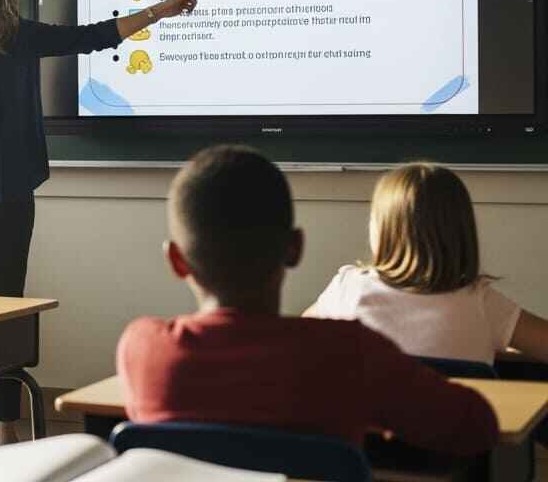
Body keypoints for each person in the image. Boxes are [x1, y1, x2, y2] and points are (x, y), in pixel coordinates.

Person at [0, 0, 202, 443]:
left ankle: (6, 424)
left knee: (6, 306)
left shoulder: (19, 39)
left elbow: (93, 37)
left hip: (12, 192)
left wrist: (160, 10)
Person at [118, 145, 498, 454]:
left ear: (176, 260)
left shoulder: (142, 347)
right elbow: (475, 427)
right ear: (295, 248)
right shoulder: (352, 353)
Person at [306, 162, 548, 365]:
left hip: (369, 422)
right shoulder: (481, 302)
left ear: (382, 229)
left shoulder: (347, 289)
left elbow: (302, 337)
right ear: (462, 232)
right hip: (455, 422)